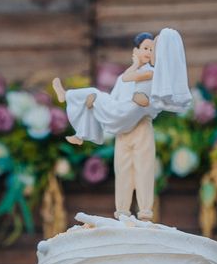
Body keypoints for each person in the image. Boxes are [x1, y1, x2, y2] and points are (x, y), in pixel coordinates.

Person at [53, 28, 192, 220]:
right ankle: (122, 211)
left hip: (140, 126)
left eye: (152, 49)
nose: (148, 52)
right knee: (122, 169)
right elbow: (116, 97)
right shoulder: (123, 78)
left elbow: (156, 102)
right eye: (145, 48)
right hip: (122, 127)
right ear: (136, 51)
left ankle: (145, 211)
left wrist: (146, 103)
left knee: (144, 168)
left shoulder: (156, 76)